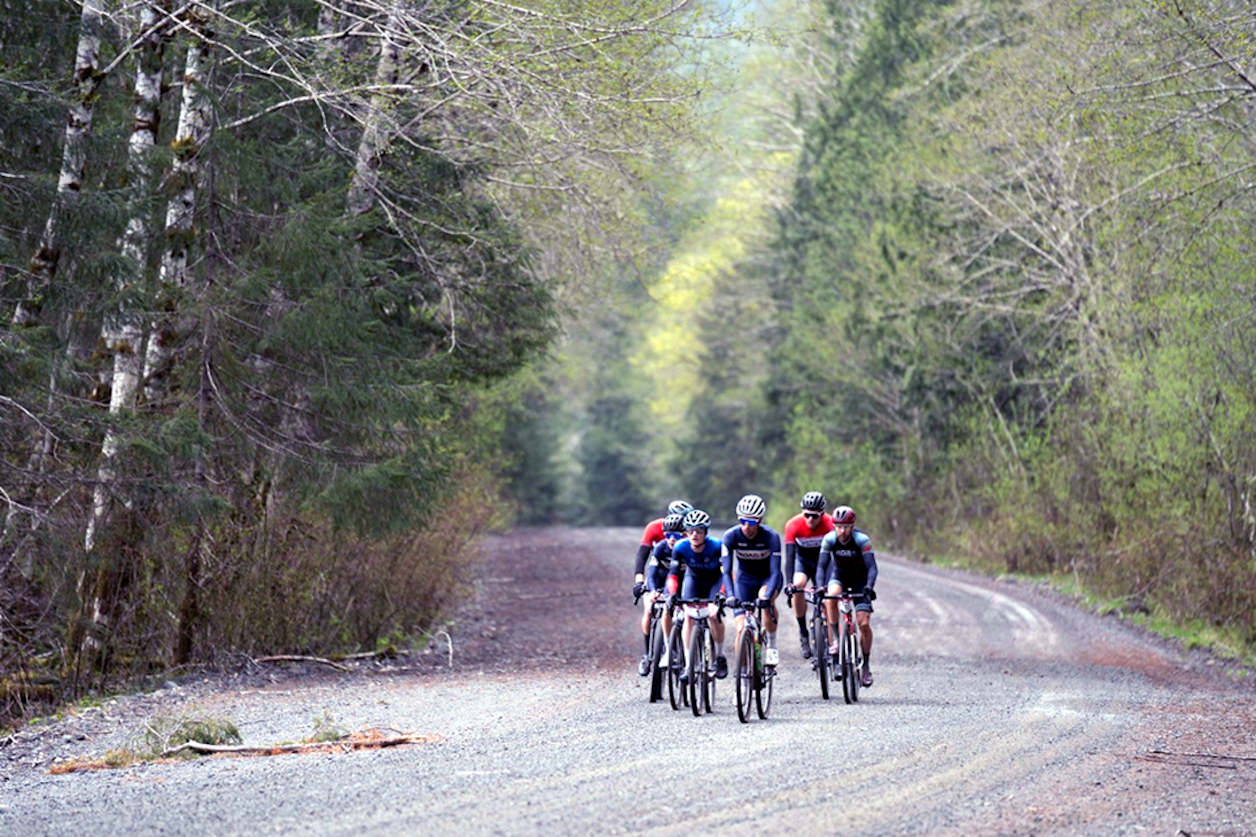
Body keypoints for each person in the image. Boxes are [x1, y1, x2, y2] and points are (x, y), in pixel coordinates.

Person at [665, 509, 733, 681]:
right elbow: (672, 575)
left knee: (712, 614)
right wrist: (673, 593)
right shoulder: (680, 548)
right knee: (688, 616)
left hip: (714, 581)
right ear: (686, 532)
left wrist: (723, 594)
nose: (695, 535)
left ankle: (719, 656)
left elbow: (728, 573)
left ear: (706, 532)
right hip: (693, 579)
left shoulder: (717, 546)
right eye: (691, 531)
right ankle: (689, 665)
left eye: (699, 531)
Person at [817, 505, 878, 687]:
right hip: (840, 576)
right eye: (838, 526)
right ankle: (836, 638)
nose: (842, 531)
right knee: (831, 595)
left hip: (860, 581)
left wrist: (869, 586)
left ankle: (865, 666)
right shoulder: (829, 539)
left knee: (863, 623)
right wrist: (820, 586)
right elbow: (821, 566)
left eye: (846, 527)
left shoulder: (862, 540)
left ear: (852, 526)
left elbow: (872, 568)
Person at [721, 494, 783, 669]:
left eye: (752, 522)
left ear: (760, 520)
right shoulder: (731, 536)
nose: (746, 527)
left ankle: (772, 645)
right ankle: (741, 679)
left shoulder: (770, 536)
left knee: (765, 598)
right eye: (742, 521)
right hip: (745, 580)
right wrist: (731, 596)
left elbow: (775, 571)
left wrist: (768, 596)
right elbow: (726, 571)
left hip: (768, 578)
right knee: (740, 629)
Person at [782, 491, 835, 659]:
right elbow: (789, 557)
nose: (810, 520)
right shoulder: (793, 525)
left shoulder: (830, 524)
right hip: (803, 561)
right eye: (807, 515)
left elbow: (836, 554)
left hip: (824, 562)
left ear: (823, 514)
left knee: (829, 596)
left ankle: (833, 642)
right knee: (798, 586)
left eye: (815, 516)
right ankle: (803, 632)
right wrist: (789, 583)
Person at [634, 512, 686, 676]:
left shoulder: (686, 548)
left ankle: (683, 649)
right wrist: (652, 590)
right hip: (661, 582)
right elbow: (652, 572)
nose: (671, 539)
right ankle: (646, 654)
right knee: (649, 609)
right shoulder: (661, 548)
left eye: (676, 535)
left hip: (680, 583)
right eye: (668, 535)